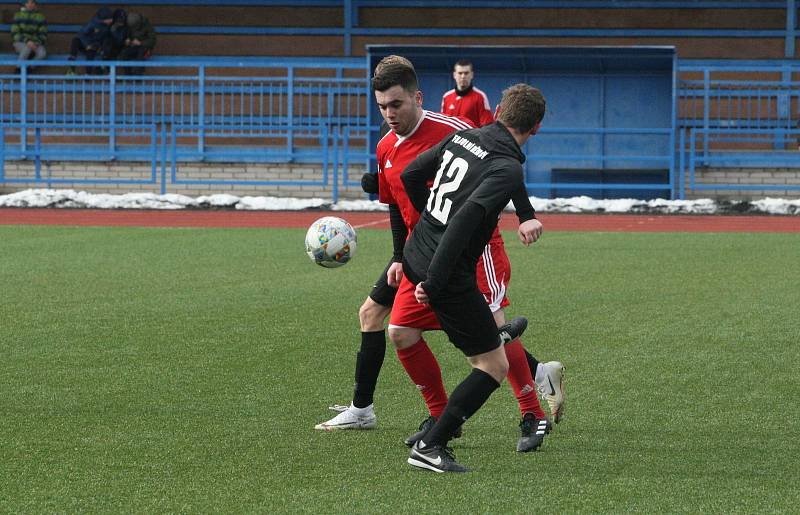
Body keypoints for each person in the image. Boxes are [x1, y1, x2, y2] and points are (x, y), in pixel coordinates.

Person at [315, 56, 565, 452]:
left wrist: (526, 214)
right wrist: (400, 253)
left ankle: (531, 411)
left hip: (471, 247)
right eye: (381, 106)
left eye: (396, 104)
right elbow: (395, 203)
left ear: (417, 97)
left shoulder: (456, 130)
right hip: (423, 249)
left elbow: (500, 164)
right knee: (394, 326)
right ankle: (438, 414)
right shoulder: (385, 146)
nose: (389, 114)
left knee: (493, 324)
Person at [402, 83, 548, 472]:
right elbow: (465, 221)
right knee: (492, 366)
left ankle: (493, 333)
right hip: (444, 273)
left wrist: (430, 220)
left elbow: (412, 175)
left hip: (416, 253)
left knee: (478, 337)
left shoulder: (464, 136)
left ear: (497, 109)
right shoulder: (507, 165)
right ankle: (432, 446)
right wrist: (434, 281)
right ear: (536, 128)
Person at [440, 59, 494, 127]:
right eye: (460, 73)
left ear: (471, 75)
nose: (463, 76)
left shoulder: (480, 96)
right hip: (451, 137)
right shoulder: (446, 97)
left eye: (466, 73)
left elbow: (487, 125)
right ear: (454, 75)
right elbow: (443, 123)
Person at [67, 7, 114, 75]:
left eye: (111, 18)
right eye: (109, 19)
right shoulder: (93, 24)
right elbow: (81, 34)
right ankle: (71, 69)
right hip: (85, 44)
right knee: (75, 40)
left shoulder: (108, 26)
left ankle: (88, 73)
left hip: (95, 46)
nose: (111, 20)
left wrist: (99, 47)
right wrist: (87, 45)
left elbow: (105, 39)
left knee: (91, 51)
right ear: (103, 19)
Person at [11, 0, 47, 65]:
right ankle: (18, 69)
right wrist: (27, 41)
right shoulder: (17, 15)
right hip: (20, 42)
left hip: (35, 43)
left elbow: (43, 34)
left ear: (35, 4)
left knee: (42, 53)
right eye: (27, 2)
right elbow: (15, 33)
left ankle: (29, 68)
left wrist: (36, 42)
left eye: (32, 2)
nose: (30, 4)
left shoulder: (41, 17)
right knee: (26, 49)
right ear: (25, 4)